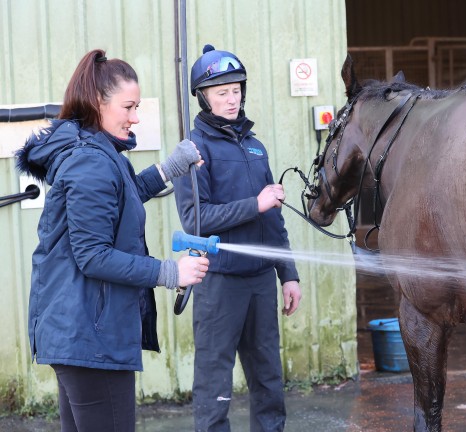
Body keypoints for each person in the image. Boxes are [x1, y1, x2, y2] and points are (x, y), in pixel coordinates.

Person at [15, 48, 210, 432]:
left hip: (80, 331)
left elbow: (118, 198)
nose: (135, 117)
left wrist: (169, 167)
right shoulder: (90, 160)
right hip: (91, 337)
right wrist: (170, 272)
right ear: (97, 103)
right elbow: (93, 255)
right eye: (129, 106)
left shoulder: (96, 152)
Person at [172, 44, 302, 432]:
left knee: (269, 382)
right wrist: (255, 204)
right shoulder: (193, 152)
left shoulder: (255, 147)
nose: (232, 99)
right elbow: (196, 219)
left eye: (236, 90)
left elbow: (273, 221)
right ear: (204, 97)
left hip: (261, 283)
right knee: (215, 387)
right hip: (220, 284)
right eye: (221, 92)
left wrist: (288, 273)